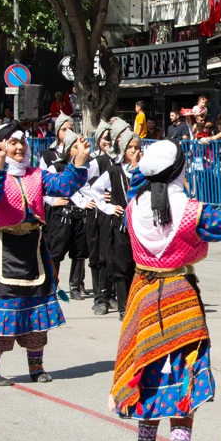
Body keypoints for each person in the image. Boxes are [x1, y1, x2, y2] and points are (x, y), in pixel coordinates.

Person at [109, 141, 221, 441]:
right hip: (180, 291)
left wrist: (143, 165)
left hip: (143, 292)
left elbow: (143, 181)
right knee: (183, 368)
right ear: (180, 170)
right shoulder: (190, 211)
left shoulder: (135, 203)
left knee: (148, 364)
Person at [0, 122, 88, 386]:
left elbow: (65, 185)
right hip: (4, 250)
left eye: (22, 142)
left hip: (33, 249)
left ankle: (36, 366)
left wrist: (79, 159)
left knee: (36, 308)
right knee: (4, 307)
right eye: (12, 143)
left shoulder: (37, 175)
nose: (20, 147)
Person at [86, 128, 142, 318]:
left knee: (137, 265)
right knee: (121, 265)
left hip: (139, 226)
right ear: (123, 149)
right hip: (121, 225)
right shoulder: (115, 171)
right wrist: (109, 208)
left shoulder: (144, 171)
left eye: (137, 148)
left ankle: (135, 304)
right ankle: (122, 307)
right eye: (131, 148)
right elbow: (95, 189)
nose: (135, 151)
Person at [42, 125, 91, 300]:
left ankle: (76, 286)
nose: (79, 150)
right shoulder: (56, 167)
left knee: (79, 252)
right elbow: (42, 190)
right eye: (75, 147)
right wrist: (53, 201)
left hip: (80, 215)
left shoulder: (86, 166)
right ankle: (51, 285)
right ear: (69, 149)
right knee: (56, 252)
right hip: (61, 216)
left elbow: (90, 188)